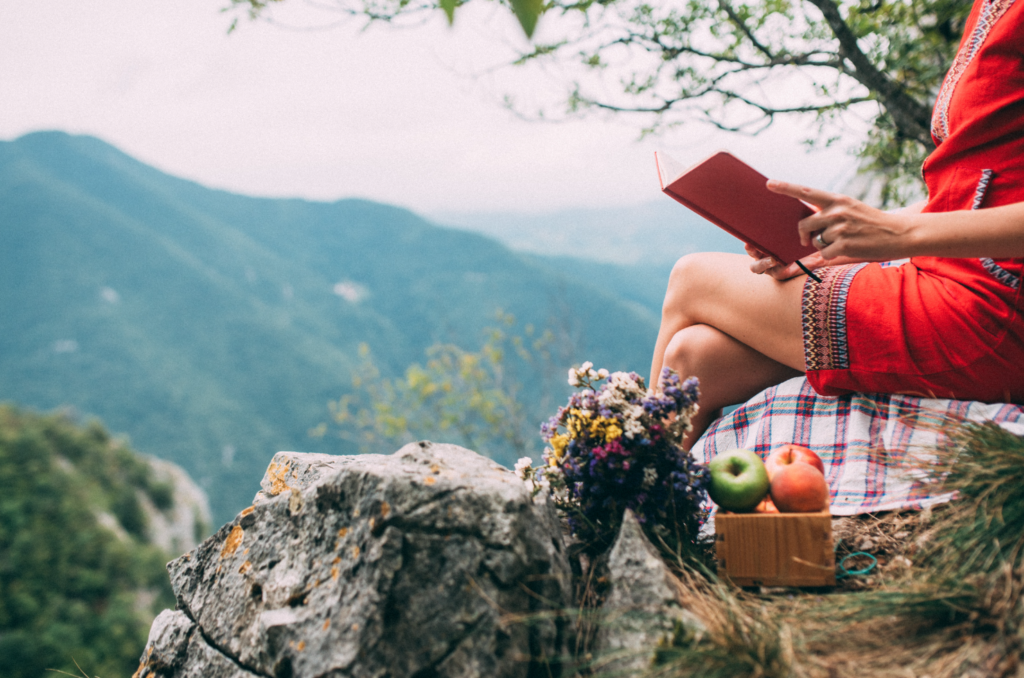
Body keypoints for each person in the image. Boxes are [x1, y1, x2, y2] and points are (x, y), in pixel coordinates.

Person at [651, 0, 1024, 449]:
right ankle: (651, 510)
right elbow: (975, 194)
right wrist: (844, 238)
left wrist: (901, 237)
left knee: (692, 279)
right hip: (950, 276)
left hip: (991, 312)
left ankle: (613, 506)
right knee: (694, 360)